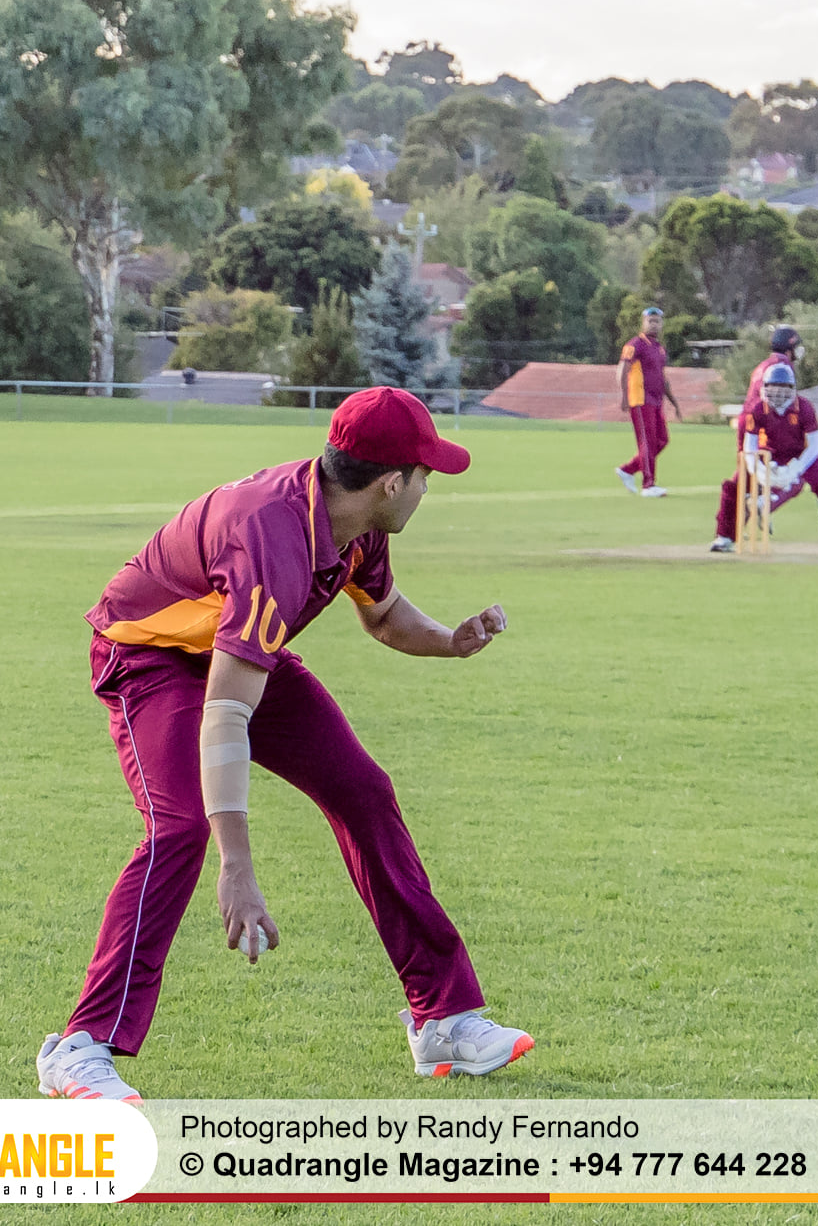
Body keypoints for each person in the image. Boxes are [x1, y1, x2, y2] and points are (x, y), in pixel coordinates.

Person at [38, 387, 531, 1104]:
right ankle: (80, 1046)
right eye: (427, 476)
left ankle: (443, 1019)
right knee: (179, 829)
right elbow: (226, 715)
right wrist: (237, 864)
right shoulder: (272, 535)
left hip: (234, 651)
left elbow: (386, 615)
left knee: (363, 789)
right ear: (392, 481)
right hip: (148, 654)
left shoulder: (358, 520)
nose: (429, 488)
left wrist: (450, 642)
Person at [711, 364, 818, 556]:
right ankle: (724, 536)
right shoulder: (758, 409)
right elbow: (749, 446)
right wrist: (757, 470)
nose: (777, 393)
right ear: (765, 387)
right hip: (769, 452)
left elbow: (815, 445)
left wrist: (796, 469)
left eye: (783, 388)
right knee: (734, 485)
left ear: (792, 389)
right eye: (773, 388)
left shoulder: (805, 408)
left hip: (801, 454)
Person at [616, 307, 680, 497]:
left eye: (657, 321)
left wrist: (674, 403)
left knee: (662, 440)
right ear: (643, 322)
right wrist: (624, 396)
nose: (654, 324)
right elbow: (622, 371)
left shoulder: (659, 348)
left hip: (656, 400)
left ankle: (628, 469)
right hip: (641, 399)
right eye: (650, 320)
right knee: (647, 441)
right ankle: (648, 484)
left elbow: (663, 377)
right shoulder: (635, 344)